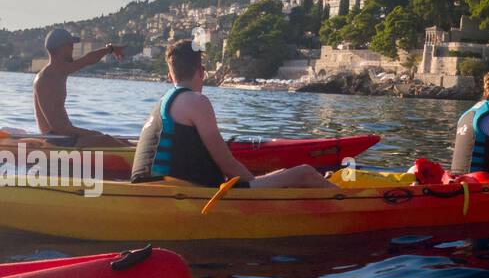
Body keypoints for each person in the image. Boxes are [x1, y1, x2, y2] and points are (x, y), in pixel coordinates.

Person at [131, 41, 333, 188]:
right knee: (305, 172)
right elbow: (227, 165)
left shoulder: (160, 106)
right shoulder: (197, 101)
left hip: (148, 186)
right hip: (177, 191)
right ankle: (356, 204)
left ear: (170, 76)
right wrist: (254, 186)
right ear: (201, 72)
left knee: (279, 176)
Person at [32, 27, 130, 146]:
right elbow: (58, 128)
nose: (73, 48)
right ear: (61, 48)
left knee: (120, 140)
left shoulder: (60, 70)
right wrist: (93, 134)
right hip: (56, 140)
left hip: (64, 137)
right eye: (70, 45)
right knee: (106, 140)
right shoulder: (47, 79)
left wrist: (110, 49)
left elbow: (88, 59)